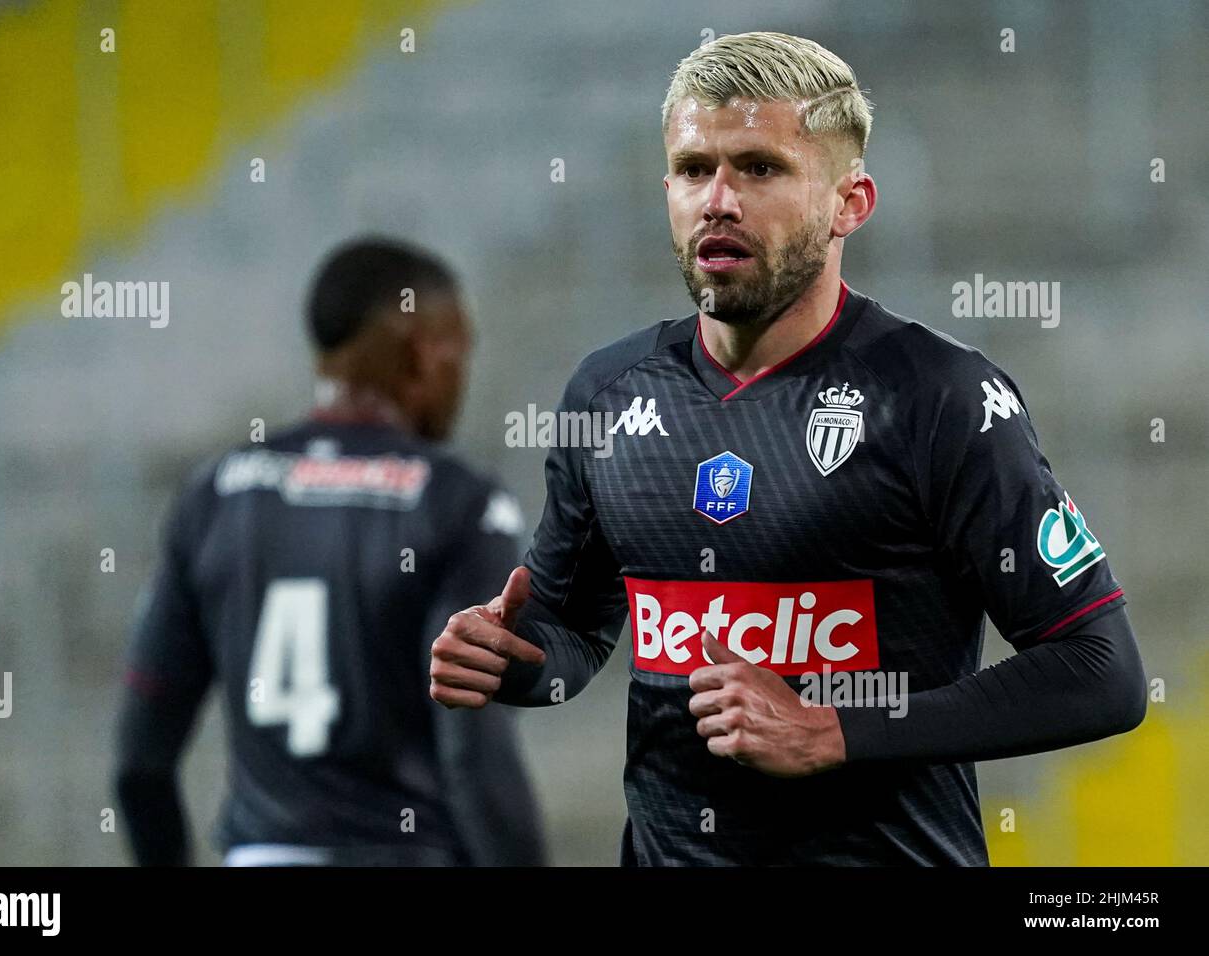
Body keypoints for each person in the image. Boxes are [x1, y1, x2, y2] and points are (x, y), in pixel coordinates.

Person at [429, 32, 1145, 866]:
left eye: (760, 168)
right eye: (695, 170)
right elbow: (575, 632)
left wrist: (832, 731)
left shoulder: (938, 399)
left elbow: (1101, 670)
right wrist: (515, 664)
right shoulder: (609, 393)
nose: (719, 200)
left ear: (850, 202)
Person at [115, 237, 546, 866]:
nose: (463, 376)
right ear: (423, 355)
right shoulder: (460, 503)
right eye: (460, 352)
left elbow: (139, 761)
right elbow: (472, 750)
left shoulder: (216, 494)